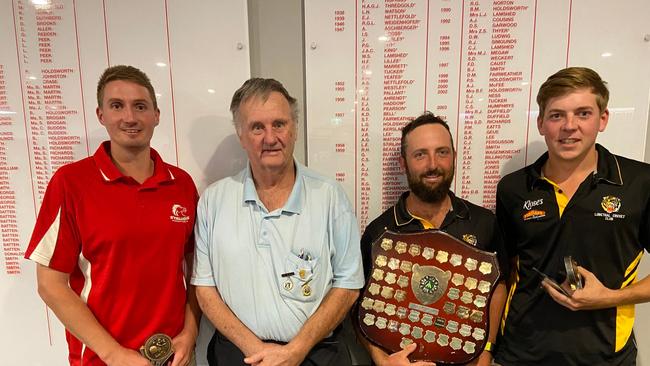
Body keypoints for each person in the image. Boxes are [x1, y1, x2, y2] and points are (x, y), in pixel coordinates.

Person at [24, 65, 201, 366]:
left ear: (156, 115)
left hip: (175, 356)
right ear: (101, 115)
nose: (130, 117)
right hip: (102, 360)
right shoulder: (70, 183)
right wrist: (114, 354)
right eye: (117, 106)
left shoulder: (181, 184)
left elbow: (198, 270)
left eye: (140, 106)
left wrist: (190, 331)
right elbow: (50, 284)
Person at [191, 78, 364, 366]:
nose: (270, 138)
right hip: (238, 355)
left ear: (294, 129)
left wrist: (295, 350)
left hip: (316, 355)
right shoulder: (214, 201)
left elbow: (348, 284)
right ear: (241, 135)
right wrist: (256, 350)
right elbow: (205, 289)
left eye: (279, 124)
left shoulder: (330, 196)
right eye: (257, 127)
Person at [495, 67, 650, 365]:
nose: (569, 126)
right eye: (556, 115)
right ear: (541, 123)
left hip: (605, 356)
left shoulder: (639, 183)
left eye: (583, 113)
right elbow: (503, 271)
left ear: (602, 119)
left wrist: (608, 297)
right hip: (520, 354)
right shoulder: (513, 188)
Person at [357, 112, 508, 366]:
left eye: (442, 152)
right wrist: (382, 361)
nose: (432, 164)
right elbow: (358, 306)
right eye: (420, 154)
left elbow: (498, 285)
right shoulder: (379, 233)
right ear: (403, 163)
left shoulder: (484, 223)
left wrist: (486, 352)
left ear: (454, 157)